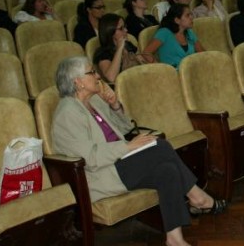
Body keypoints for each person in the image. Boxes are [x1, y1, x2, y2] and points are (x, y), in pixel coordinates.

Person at [51, 56, 225, 246]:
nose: (97, 76)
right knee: (161, 147)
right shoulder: (67, 113)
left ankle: (175, 239)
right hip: (101, 174)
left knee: (167, 170)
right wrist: (128, 146)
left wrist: (115, 105)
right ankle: (198, 196)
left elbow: (126, 128)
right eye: (91, 72)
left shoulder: (96, 102)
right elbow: (90, 157)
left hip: (122, 161)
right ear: (78, 82)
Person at [142, 4, 204, 69]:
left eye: (191, 14)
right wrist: (161, 68)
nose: (191, 17)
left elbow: (202, 53)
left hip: (191, 71)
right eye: (187, 15)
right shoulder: (164, 33)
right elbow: (146, 53)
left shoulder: (189, 32)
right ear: (177, 20)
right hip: (173, 74)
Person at [94, 13, 146, 83]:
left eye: (125, 27)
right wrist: (119, 48)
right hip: (119, 90)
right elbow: (111, 78)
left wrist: (139, 60)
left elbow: (143, 65)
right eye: (121, 28)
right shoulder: (103, 53)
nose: (126, 30)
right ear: (110, 32)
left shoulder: (128, 45)